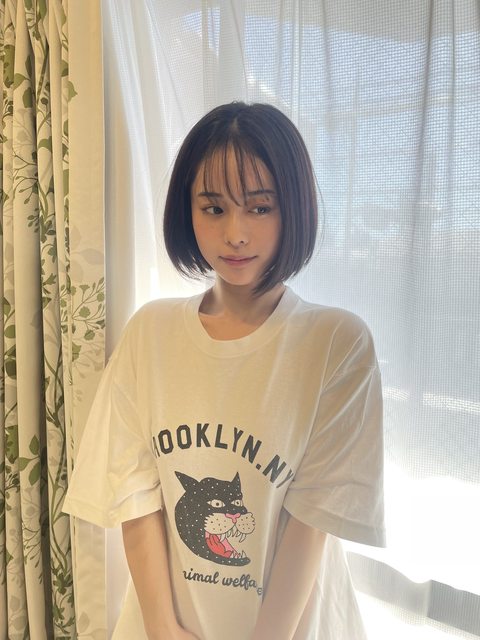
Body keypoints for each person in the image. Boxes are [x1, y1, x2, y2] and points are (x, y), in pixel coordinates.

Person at [63, 102, 385, 640]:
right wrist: (163, 629)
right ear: (186, 212)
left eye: (260, 207)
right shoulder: (151, 333)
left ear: (293, 209)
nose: (235, 233)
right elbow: (135, 496)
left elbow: (312, 522)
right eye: (213, 208)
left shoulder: (336, 343)